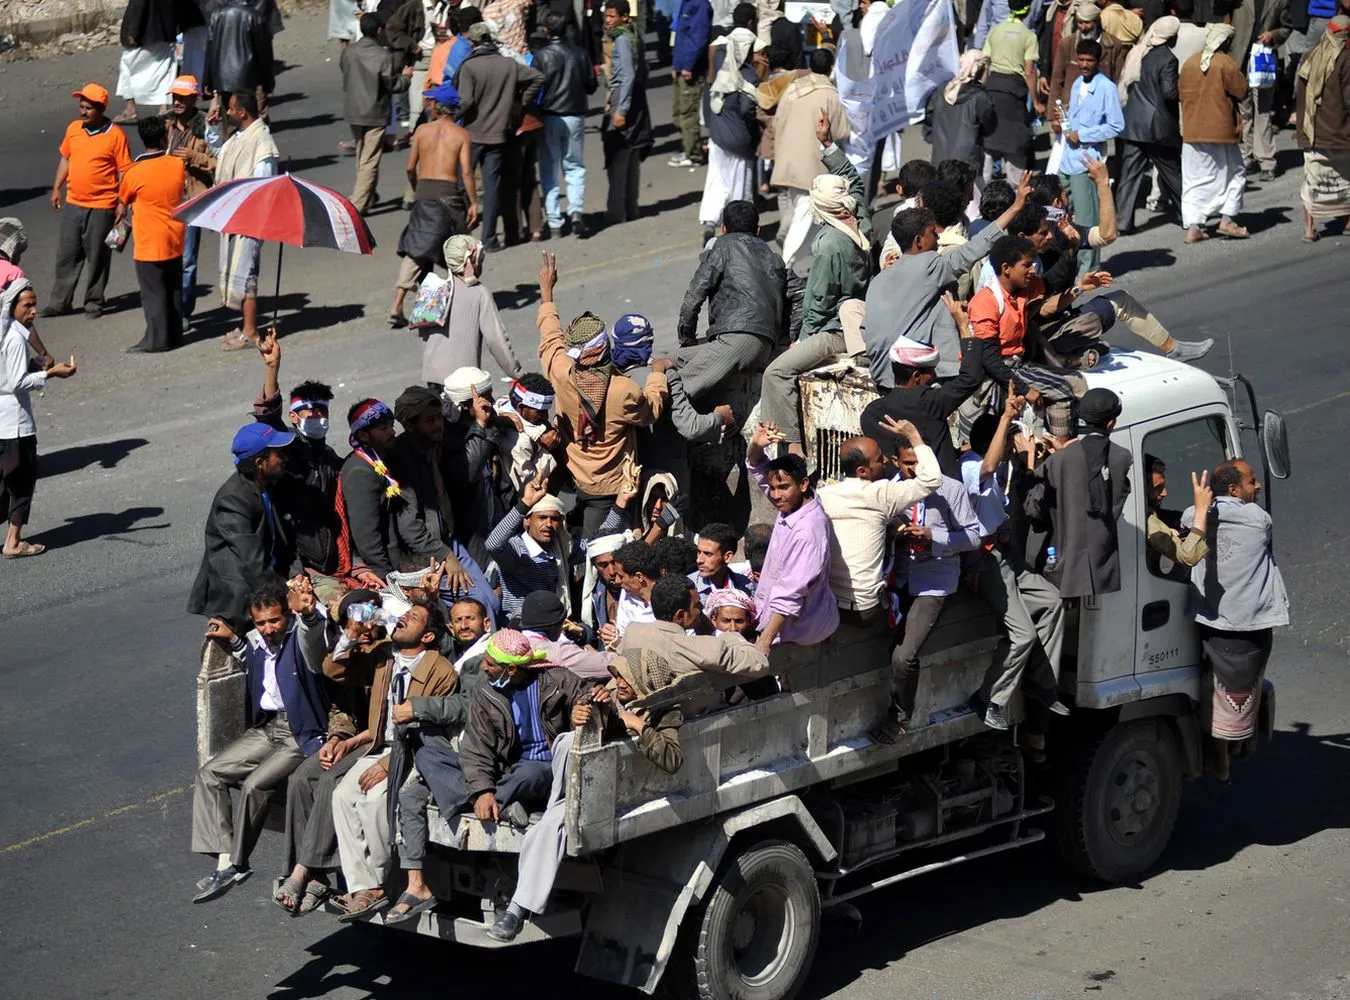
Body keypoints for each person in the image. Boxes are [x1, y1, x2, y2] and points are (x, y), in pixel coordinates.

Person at [487, 646, 683, 942]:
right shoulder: (613, 695)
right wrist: (583, 715)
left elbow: (671, 759)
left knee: (550, 825)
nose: (620, 683)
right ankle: (516, 909)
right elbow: (591, 722)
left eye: (627, 678)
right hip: (584, 789)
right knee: (565, 747)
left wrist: (638, 725)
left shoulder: (667, 711)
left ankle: (516, 909)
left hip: (626, 792)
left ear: (643, 680)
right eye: (617, 677)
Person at [192, 583, 329, 902]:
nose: (268, 629)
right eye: (261, 623)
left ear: (286, 617)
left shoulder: (301, 641)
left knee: (255, 785)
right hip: (268, 729)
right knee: (210, 775)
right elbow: (248, 654)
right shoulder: (256, 642)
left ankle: (239, 862)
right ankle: (226, 860)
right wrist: (232, 637)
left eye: (275, 621)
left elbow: (313, 635)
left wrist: (306, 613)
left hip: (299, 734)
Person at [328, 599, 460, 921]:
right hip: (379, 745)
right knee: (343, 797)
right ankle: (363, 887)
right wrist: (350, 635)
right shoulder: (383, 657)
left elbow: (428, 732)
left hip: (410, 751)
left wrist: (387, 766)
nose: (402, 619)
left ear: (427, 636)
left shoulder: (440, 671)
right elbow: (334, 670)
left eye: (413, 618)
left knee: (374, 803)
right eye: (403, 615)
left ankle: (378, 884)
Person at [536, 251, 669, 537]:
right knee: (601, 552)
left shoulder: (562, 373)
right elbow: (651, 411)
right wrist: (657, 376)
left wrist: (547, 294)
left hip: (575, 474)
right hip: (610, 489)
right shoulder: (624, 390)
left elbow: (550, 339)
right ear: (604, 348)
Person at [271, 590, 384, 916]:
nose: (363, 626)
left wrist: (351, 742)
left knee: (331, 781)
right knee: (302, 777)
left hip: (373, 739)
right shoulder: (346, 653)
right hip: (351, 735)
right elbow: (340, 706)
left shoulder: (388, 652)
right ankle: (316, 875)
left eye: (367, 617)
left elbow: (383, 719)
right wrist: (336, 738)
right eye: (355, 621)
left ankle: (303, 870)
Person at [863, 173, 1031, 389]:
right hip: (916, 377)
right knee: (946, 304)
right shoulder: (929, 265)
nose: (939, 238)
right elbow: (975, 248)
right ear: (918, 242)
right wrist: (1016, 207)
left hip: (881, 374)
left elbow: (867, 329)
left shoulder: (879, 280)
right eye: (933, 233)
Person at [961, 401, 1070, 733]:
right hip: (986, 562)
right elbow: (987, 470)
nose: (1012, 448)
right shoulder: (969, 466)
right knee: (1021, 634)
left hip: (1005, 554)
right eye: (1008, 441)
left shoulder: (992, 472)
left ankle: (1042, 683)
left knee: (1051, 602)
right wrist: (1007, 418)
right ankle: (989, 698)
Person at [1181, 459, 1289, 782]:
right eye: (1252, 482)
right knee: (1248, 685)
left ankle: (1222, 754)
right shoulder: (1258, 520)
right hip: (1251, 627)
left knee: (1215, 689)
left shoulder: (1194, 516)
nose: (1258, 487)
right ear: (1233, 489)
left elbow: (1190, 517)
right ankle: (1240, 742)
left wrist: (1205, 506)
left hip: (1213, 625)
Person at [878, 429, 983, 739]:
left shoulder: (950, 490)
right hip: (895, 579)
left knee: (904, 655)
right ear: (896, 462)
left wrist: (932, 537)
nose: (916, 470)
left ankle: (900, 717)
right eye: (908, 464)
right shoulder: (888, 491)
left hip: (933, 583)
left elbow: (974, 536)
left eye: (921, 462)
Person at [816, 424, 943, 618]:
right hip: (865, 608)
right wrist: (914, 436)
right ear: (862, 471)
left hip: (828, 602)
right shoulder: (881, 493)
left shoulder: (823, 495)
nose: (886, 461)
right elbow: (932, 479)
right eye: (879, 459)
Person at [252, 334, 345, 587]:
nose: (318, 416)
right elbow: (268, 416)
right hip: (297, 565)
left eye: (323, 411)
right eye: (311, 412)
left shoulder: (329, 457)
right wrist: (272, 368)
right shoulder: (287, 449)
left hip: (330, 559)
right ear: (294, 417)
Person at [1022, 387, 1133, 598]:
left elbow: (1034, 508)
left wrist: (1030, 462)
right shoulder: (1122, 458)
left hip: (1063, 572)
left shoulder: (1059, 461)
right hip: (1101, 568)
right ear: (1111, 424)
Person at [188, 421, 296, 629]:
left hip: (267, 577)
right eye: (278, 454)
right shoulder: (232, 500)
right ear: (259, 463)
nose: (285, 458)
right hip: (239, 596)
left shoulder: (267, 485)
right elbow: (251, 560)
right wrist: (285, 595)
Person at [744, 423, 839, 657]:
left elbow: (790, 592)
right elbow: (757, 465)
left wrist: (765, 640)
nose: (775, 495)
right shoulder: (791, 504)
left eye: (783, 488)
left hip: (798, 632)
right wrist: (756, 444)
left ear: (803, 484)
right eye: (773, 488)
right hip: (779, 623)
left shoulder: (808, 531)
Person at [676, 199, 787, 399]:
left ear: (723, 228)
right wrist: (787, 336)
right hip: (766, 342)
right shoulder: (774, 256)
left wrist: (687, 339)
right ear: (759, 230)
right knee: (675, 361)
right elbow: (798, 293)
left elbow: (694, 296)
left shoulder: (722, 246)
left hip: (737, 337)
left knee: (674, 391)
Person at [389, 85, 479, 327]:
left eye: (430, 102)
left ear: (437, 106)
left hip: (424, 194)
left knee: (418, 247)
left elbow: (409, 167)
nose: (427, 105)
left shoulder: (421, 131)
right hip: (449, 197)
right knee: (453, 249)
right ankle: (456, 300)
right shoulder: (461, 135)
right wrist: (473, 203)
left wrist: (417, 186)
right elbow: (467, 172)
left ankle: (411, 304)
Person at [0, 281, 77, 558]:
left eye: (34, 305)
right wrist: (51, 373)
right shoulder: (15, 338)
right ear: (12, 307)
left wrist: (36, 365)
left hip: (3, 423)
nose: (33, 311)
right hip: (17, 426)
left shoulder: (5, 332)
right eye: (27, 306)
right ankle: (13, 542)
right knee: (21, 482)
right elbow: (17, 383)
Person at [44, 84, 132, 320]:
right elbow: (66, 159)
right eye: (81, 107)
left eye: (88, 108)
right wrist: (56, 188)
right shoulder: (73, 129)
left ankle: (94, 303)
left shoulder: (116, 135)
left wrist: (122, 202)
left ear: (101, 109)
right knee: (67, 255)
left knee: (98, 257)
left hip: (103, 206)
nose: (83, 112)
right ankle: (59, 302)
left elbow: (125, 172)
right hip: (74, 203)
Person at [457, 22, 545, 250]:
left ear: (473, 42)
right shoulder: (508, 64)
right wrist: (520, 103)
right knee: (492, 187)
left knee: (461, 182)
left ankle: (460, 233)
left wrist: (455, 115)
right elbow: (538, 78)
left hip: (473, 133)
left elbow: (465, 101)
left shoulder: (470, 67)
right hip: (499, 134)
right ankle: (489, 238)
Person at [212, 90, 280, 350]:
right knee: (239, 271)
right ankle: (245, 327)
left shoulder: (262, 141)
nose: (227, 112)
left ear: (242, 112)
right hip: (236, 217)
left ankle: (250, 332)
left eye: (230, 108)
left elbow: (263, 185)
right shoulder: (241, 136)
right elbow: (223, 155)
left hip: (250, 219)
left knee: (247, 273)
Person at [772, 48, 852, 262]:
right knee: (804, 216)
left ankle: (788, 238)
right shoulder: (830, 94)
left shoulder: (793, 88)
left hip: (788, 159)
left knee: (798, 208)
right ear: (830, 68)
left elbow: (777, 122)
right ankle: (786, 263)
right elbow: (843, 131)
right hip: (812, 165)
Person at [410, 234, 523, 383]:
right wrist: (517, 373)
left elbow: (422, 334)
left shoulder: (433, 289)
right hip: (462, 379)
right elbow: (496, 339)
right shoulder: (479, 293)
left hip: (433, 375)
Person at [116, 115, 187, 353]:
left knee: (153, 294)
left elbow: (121, 204)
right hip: (175, 237)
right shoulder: (177, 165)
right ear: (163, 136)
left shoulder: (133, 173)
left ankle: (156, 341)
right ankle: (175, 336)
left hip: (149, 243)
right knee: (173, 289)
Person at [1055, 39, 1123, 277]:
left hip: (1086, 161)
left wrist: (1083, 135)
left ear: (1098, 61)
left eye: (1089, 60)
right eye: (1081, 59)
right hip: (1066, 160)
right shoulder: (1076, 84)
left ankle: (1090, 270)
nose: (1084, 64)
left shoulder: (1106, 88)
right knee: (1063, 215)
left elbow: (1116, 126)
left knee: (1087, 220)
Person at [1178, 23, 1251, 242]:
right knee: (1236, 173)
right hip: (1220, 132)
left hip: (1191, 131)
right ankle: (1227, 220)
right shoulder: (1224, 62)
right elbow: (1242, 90)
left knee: (1193, 179)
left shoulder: (1190, 62)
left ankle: (1193, 227)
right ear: (1225, 42)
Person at [623, 575, 771, 676]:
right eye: (696, 605)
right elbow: (759, 662)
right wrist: (730, 636)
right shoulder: (704, 650)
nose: (701, 608)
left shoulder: (633, 632)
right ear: (681, 615)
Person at [699, 4, 762, 243]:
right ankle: (739, 228)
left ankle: (709, 222)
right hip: (739, 136)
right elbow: (747, 109)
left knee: (716, 178)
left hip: (717, 131)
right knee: (739, 183)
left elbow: (708, 91)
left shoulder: (718, 53)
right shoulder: (748, 76)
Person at [1116, 16, 1183, 234]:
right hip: (1156, 127)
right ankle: (1189, 215)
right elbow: (1169, 92)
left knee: (1129, 175)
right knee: (1171, 172)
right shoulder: (1168, 59)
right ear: (1171, 37)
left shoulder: (1139, 52)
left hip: (1134, 123)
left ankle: (1123, 222)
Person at [534, 12, 597, 239]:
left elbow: (534, 88)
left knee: (549, 169)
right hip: (575, 114)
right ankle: (576, 210)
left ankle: (554, 221)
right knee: (574, 166)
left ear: (547, 31)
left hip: (549, 115)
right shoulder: (579, 53)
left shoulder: (541, 56)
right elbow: (592, 85)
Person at [164, 75, 215, 330]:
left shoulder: (207, 125)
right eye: (175, 97)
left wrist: (195, 157)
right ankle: (168, 309)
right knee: (165, 257)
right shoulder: (168, 124)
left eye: (182, 98)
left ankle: (184, 313)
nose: (177, 102)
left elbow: (220, 162)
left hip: (192, 199)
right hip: (168, 198)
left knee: (187, 260)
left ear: (193, 98)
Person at [485, 476, 574, 622]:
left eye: (554, 519)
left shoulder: (562, 548)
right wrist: (525, 504)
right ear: (527, 520)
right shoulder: (517, 550)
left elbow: (598, 545)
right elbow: (493, 544)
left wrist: (620, 506)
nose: (549, 524)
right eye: (542, 517)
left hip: (552, 624)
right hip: (519, 626)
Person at [1295, 14, 1350, 240]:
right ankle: (1348, 222)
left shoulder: (1310, 55)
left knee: (1312, 182)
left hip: (1313, 133)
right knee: (1346, 180)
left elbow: (1299, 95)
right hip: (1341, 134)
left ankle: (1309, 229)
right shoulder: (1346, 59)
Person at [343, 15, 401, 216]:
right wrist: (407, 77)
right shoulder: (383, 56)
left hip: (354, 110)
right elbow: (392, 84)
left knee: (362, 154)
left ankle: (367, 195)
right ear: (378, 31)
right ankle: (359, 203)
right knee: (370, 159)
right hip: (375, 111)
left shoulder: (349, 51)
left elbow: (345, 70)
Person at [602, 0, 654, 224]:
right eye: (607, 16)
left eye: (612, 16)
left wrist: (620, 109)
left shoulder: (622, 40)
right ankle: (631, 208)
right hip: (638, 100)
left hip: (625, 100)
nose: (608, 20)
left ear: (624, 17)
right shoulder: (635, 35)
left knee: (619, 156)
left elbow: (628, 76)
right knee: (632, 153)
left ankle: (617, 211)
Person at [1232, 0, 1292, 182]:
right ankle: (1245, 158)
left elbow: (1287, 27)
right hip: (1239, 60)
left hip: (1263, 63)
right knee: (1244, 113)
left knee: (1263, 113)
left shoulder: (1280, 1)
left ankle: (1266, 162)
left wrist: (1273, 35)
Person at [981, 5, 1042, 183]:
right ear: (1028, 8)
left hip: (992, 89)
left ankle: (981, 200)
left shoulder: (995, 31)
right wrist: (1036, 100)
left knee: (988, 146)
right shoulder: (1028, 35)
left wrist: (981, 90)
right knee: (1015, 147)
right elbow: (1030, 71)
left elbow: (985, 63)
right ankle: (1016, 195)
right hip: (1014, 94)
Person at [927, 51, 998, 182]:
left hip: (940, 158)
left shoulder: (942, 90)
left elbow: (929, 119)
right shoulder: (980, 96)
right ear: (981, 71)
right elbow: (990, 126)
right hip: (968, 162)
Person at [202, 0, 276, 119]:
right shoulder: (255, 16)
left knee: (230, 121)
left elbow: (211, 50)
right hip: (248, 79)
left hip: (223, 80)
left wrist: (207, 81)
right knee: (249, 121)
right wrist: (268, 82)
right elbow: (264, 54)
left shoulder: (216, 15)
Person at [518, 591, 615, 679]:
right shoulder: (560, 653)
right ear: (555, 626)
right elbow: (614, 665)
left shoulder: (508, 643)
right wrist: (617, 643)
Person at [115, 0, 177, 123]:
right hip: (166, 33)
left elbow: (137, 5)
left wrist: (133, 31)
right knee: (164, 71)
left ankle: (130, 109)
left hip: (144, 35)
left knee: (127, 67)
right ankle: (163, 109)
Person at [1145, 457, 1211, 566]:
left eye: (1164, 486)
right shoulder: (1148, 522)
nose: (1164, 493)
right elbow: (1188, 556)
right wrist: (1201, 510)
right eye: (1157, 488)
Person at [670, 0, 713, 168]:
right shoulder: (685, 3)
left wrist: (688, 65)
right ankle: (689, 148)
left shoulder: (699, 5)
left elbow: (699, 38)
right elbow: (681, 37)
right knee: (679, 112)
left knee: (688, 112)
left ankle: (693, 154)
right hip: (681, 67)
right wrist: (676, 65)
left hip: (691, 70)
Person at [610, 539, 662, 641]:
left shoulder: (672, 597)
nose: (617, 581)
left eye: (621, 576)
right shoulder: (626, 595)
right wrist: (614, 638)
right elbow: (622, 634)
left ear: (639, 577)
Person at [690, 522, 753, 597]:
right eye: (699, 552)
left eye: (708, 554)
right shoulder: (688, 590)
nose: (699, 560)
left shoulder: (746, 587)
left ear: (727, 557)